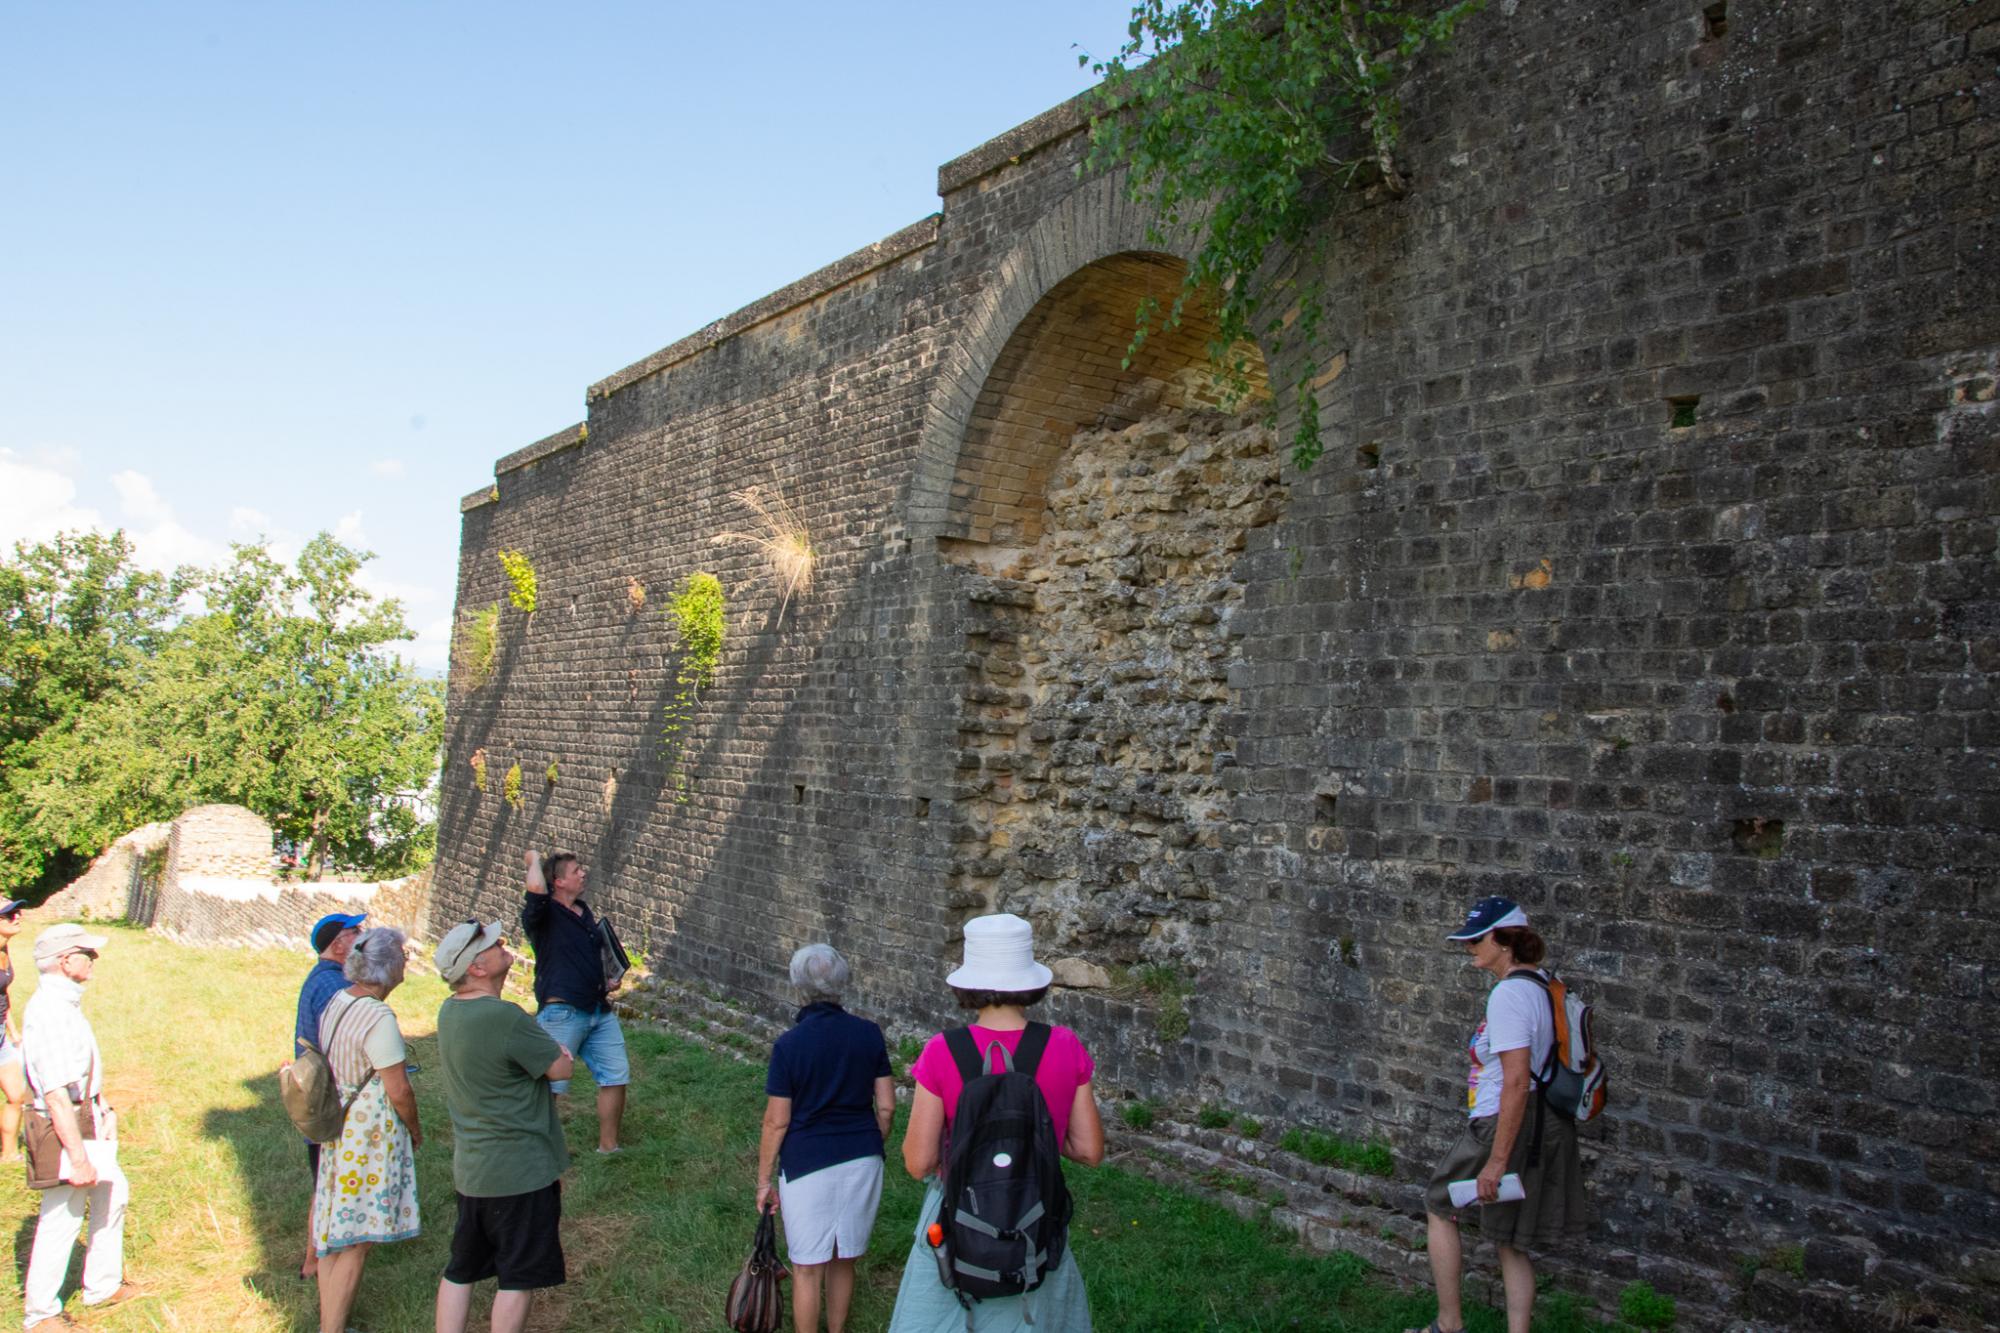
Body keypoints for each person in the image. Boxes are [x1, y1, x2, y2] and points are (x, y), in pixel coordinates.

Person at [888, 913, 1104, 1333]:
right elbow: (1089, 1150)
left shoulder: (942, 1051)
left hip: (959, 1212)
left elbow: (917, 1162)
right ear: (1030, 979)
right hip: (1035, 1210)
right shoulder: (1064, 1046)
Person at [1409, 897, 1586, 1333]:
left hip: (1502, 1122)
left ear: (1505, 942)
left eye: (1477, 939)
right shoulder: (1544, 985)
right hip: (1543, 1123)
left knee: (1439, 1203)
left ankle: (1449, 1326)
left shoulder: (1508, 996)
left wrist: (1497, 1160)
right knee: (1510, 1241)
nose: (1470, 947)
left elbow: (1514, 1080)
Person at [433, 919, 573, 1333]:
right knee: (518, 1275)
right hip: (519, 1170)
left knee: (461, 1267)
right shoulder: (504, 1016)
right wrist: (558, 1053)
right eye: (493, 944)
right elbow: (560, 1068)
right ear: (476, 967)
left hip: (473, 1170)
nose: (503, 945)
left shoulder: (449, 1011)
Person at [756, 944, 896, 1333]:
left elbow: (776, 1122)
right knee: (844, 1257)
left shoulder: (789, 1045)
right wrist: (872, 1141)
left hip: (806, 1164)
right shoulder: (869, 1034)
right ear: (843, 984)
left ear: (798, 986)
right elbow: (886, 1107)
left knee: (806, 1266)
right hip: (863, 1156)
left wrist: (764, 1180)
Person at [21, 923, 140, 1329]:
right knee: (62, 1216)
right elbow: (54, 1093)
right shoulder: (49, 1011)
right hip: (64, 1123)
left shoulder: (64, 1003)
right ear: (63, 960)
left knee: (113, 1191)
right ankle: (40, 1313)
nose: (95, 959)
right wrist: (77, 1156)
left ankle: (101, 1286)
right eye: (86, 953)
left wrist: (102, 1108)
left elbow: (78, 1072)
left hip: (84, 1114)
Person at [310, 927, 421, 1333]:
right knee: (358, 1238)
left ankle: (330, 1323)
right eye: (403, 956)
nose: (406, 961)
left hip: (339, 1123)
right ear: (388, 967)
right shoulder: (378, 1016)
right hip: (366, 1131)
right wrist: (415, 1129)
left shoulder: (339, 1000)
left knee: (336, 1232)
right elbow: (399, 1089)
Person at [521, 849, 630, 1152]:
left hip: (598, 1009)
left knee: (616, 1076)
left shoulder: (583, 911)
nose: (583, 873)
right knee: (550, 1088)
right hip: (562, 1013)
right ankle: (535, 1152)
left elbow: (586, 957)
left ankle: (609, 1147)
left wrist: (607, 980)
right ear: (557, 882)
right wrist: (533, 860)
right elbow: (534, 891)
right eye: (576, 870)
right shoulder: (542, 916)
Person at [294, 910, 365, 1279]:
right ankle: (315, 1263)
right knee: (326, 1186)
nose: (363, 936)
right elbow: (345, 1042)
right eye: (357, 932)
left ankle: (314, 1261)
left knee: (325, 1183)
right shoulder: (331, 985)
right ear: (339, 944)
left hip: (324, 1098)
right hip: (329, 1100)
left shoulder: (328, 979)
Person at [0, 898, 32, 1164]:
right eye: (9, 915)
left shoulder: (4, 949)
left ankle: (9, 1153)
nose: (17, 917)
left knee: (16, 1094)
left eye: (17, 912)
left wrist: (12, 1030)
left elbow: (4, 993)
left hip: (1, 1035)